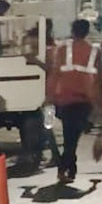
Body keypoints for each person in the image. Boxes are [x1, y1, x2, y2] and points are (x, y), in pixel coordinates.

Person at [39, 18, 102, 184]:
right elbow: (98, 79)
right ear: (87, 32)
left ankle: (68, 168)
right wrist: (100, 103)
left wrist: (49, 97)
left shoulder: (62, 49)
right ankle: (66, 168)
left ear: (72, 31)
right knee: (72, 136)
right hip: (84, 100)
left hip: (64, 99)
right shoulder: (94, 52)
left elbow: (55, 74)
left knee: (71, 135)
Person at [23, 20, 61, 167]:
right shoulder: (51, 47)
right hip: (42, 90)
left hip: (48, 91)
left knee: (46, 124)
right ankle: (43, 155)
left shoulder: (49, 50)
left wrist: (35, 61)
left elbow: (50, 69)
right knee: (42, 124)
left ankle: (53, 155)